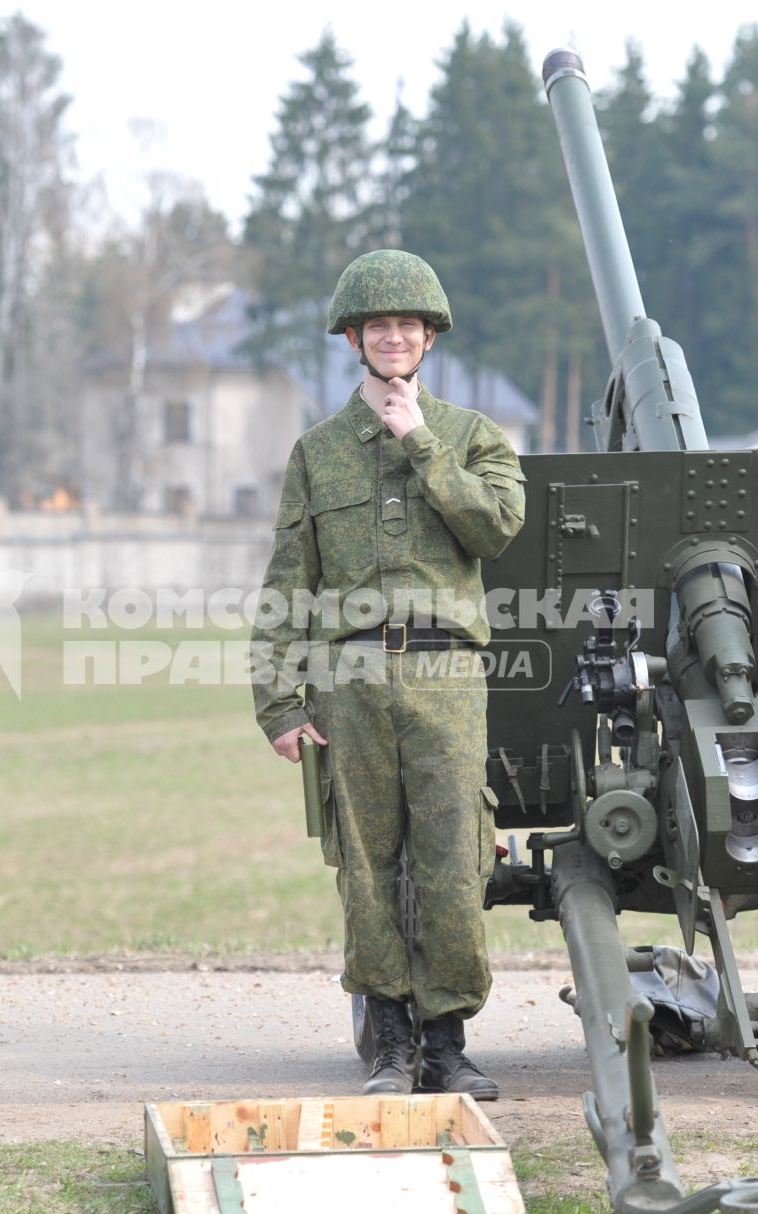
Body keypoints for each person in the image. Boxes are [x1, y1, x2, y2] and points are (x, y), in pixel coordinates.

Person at [250, 249, 525, 1098]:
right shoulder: (318, 452)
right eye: (379, 326)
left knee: (453, 856)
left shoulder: (475, 437)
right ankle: (390, 1043)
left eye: (409, 325)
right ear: (356, 339)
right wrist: (279, 703)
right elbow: (287, 582)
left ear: (430, 337)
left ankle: (447, 1042)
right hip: (352, 683)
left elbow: (496, 528)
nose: (395, 336)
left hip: (446, 677)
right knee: (365, 861)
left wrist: (421, 444)